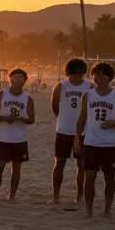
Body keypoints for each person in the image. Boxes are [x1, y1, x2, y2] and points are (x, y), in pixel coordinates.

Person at [76, 62, 115, 217]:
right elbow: (82, 118)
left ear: (108, 77)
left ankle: (107, 209)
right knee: (89, 176)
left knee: (109, 177)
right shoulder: (88, 95)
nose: (97, 77)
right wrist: (77, 139)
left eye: (100, 74)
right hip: (91, 142)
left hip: (110, 144)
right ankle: (88, 211)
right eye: (95, 75)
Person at [0, 68, 34, 203]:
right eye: (15, 76)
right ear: (10, 79)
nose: (17, 79)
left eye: (20, 77)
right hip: (3, 138)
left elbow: (31, 120)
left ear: (24, 81)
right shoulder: (1, 94)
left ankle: (12, 196)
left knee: (16, 168)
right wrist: (4, 118)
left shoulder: (27, 98)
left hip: (20, 138)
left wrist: (21, 118)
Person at [49, 58, 90, 205]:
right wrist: (63, 119)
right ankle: (56, 196)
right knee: (59, 162)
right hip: (63, 130)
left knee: (81, 165)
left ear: (82, 74)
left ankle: (79, 197)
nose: (73, 78)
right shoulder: (61, 86)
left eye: (77, 75)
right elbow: (54, 106)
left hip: (83, 132)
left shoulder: (89, 87)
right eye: (71, 75)